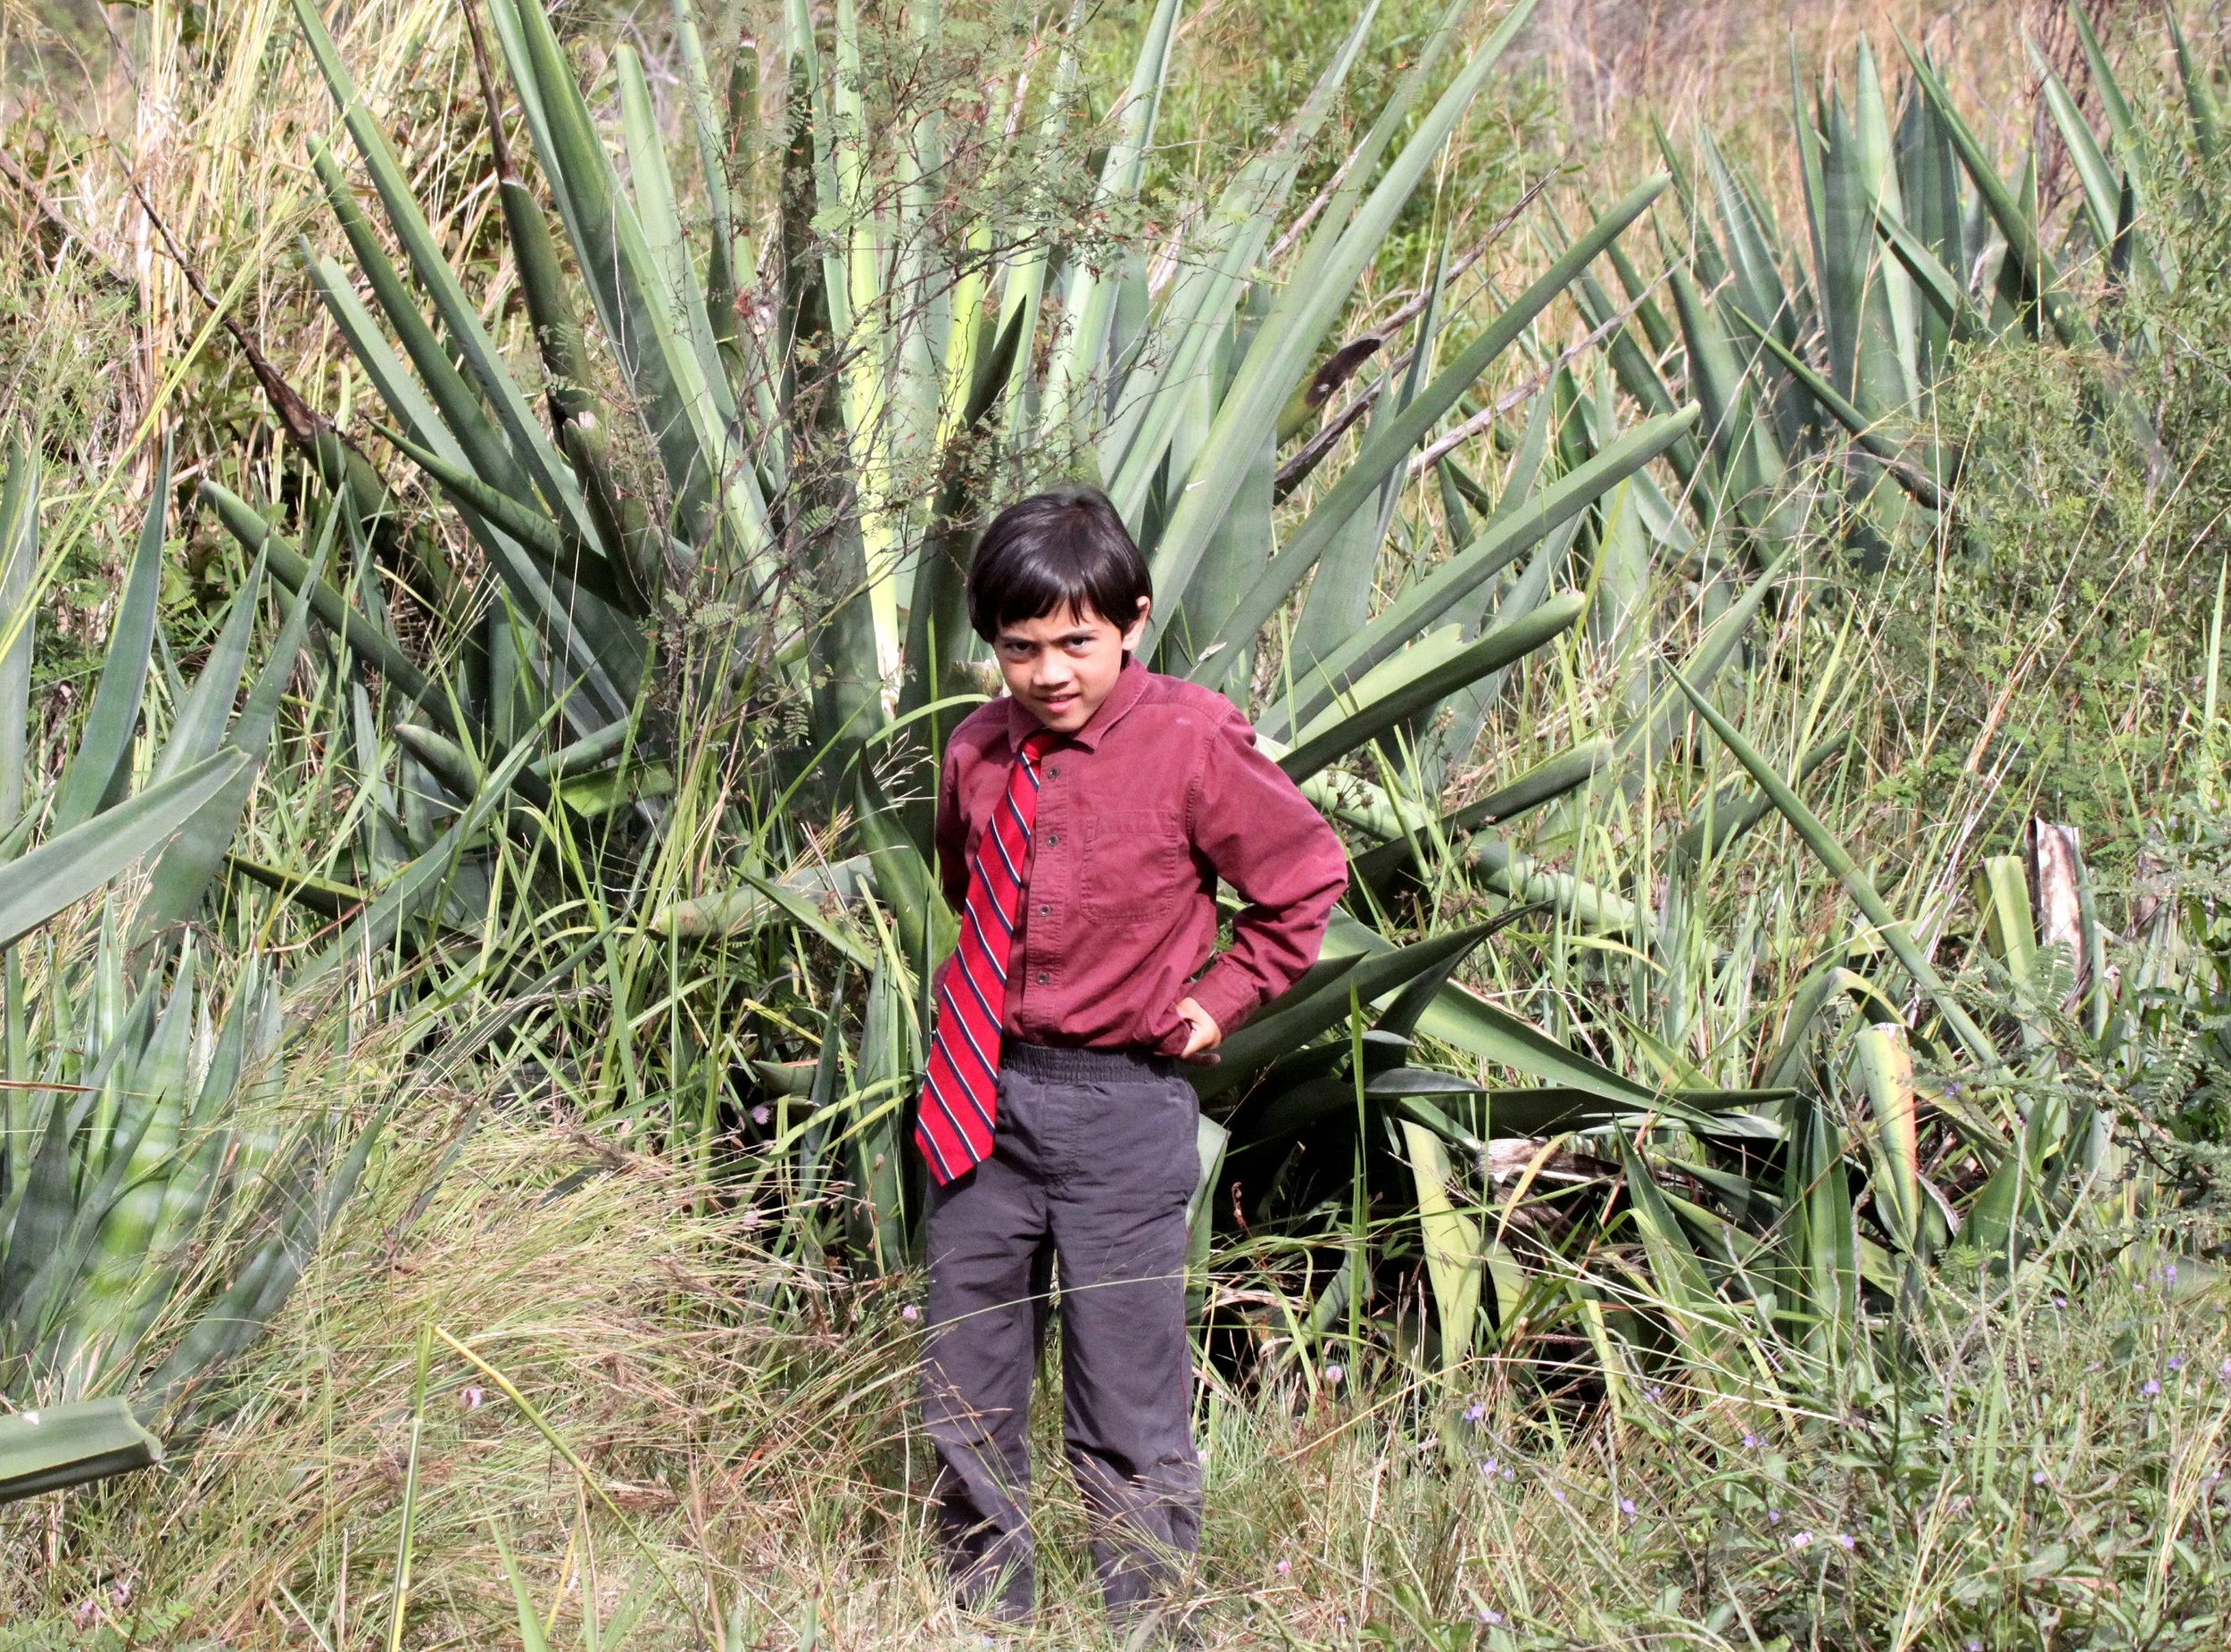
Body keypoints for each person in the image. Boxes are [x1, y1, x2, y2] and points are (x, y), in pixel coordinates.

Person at [916, 483, 1348, 1630]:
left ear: (1134, 622)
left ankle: (1145, 1619)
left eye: (1076, 644)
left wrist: (1219, 1002)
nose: (1050, 674)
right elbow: (968, 888)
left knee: (1125, 1398)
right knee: (965, 1384)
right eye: (1020, 649)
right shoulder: (975, 750)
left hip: (1122, 1105)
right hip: (982, 1099)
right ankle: (983, 1613)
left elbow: (1302, 880)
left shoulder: (1192, 739)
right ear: (992, 646)